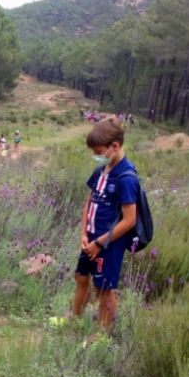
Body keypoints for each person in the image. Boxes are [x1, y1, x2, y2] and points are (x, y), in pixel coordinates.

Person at [72, 121, 138, 332]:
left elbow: (129, 220)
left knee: (103, 288)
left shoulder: (126, 178)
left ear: (115, 146)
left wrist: (100, 243)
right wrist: (84, 234)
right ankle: (75, 321)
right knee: (81, 278)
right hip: (90, 239)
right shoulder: (100, 171)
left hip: (108, 243)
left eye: (99, 152)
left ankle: (102, 336)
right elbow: (88, 203)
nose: (97, 156)